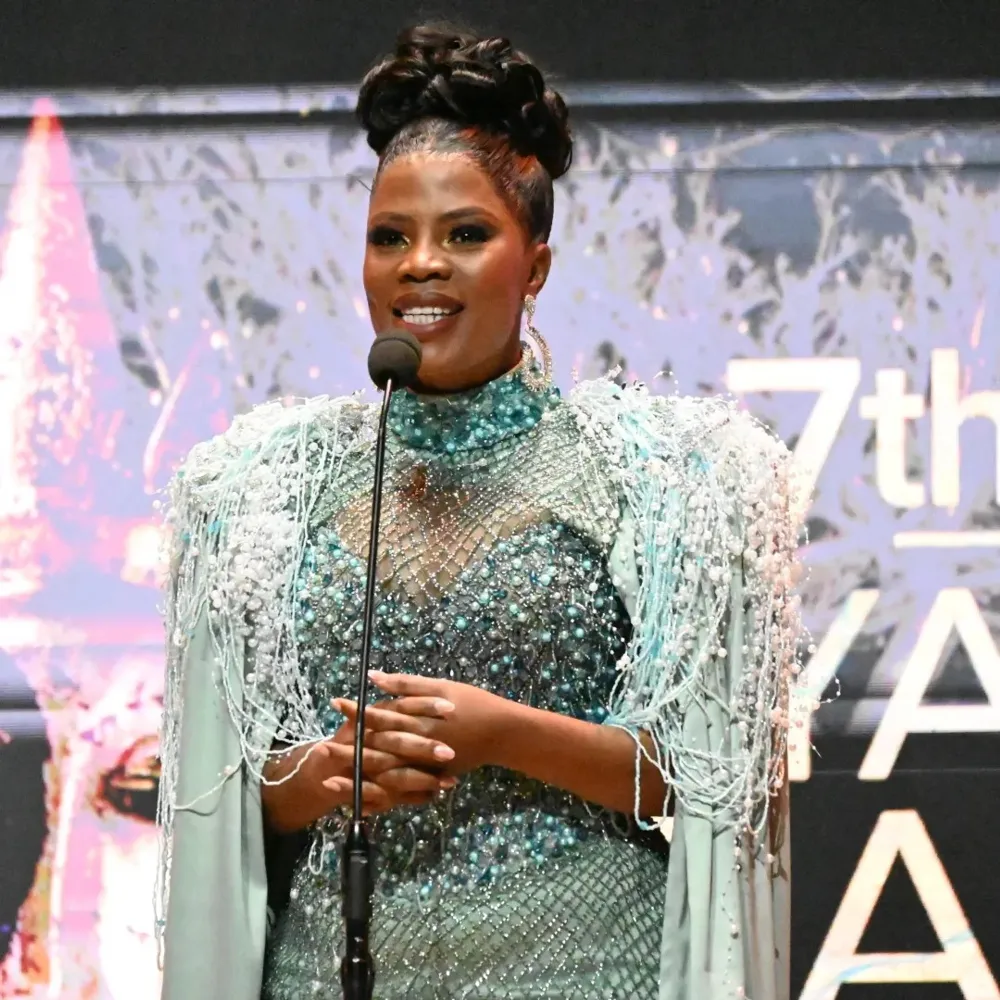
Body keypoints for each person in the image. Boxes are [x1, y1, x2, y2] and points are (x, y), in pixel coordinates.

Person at [156, 24, 804, 1000]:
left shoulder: (660, 477)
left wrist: (502, 732)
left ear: (534, 265)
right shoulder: (258, 487)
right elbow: (227, 791)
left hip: (587, 968)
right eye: (390, 237)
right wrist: (327, 771)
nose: (420, 264)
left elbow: (705, 774)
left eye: (465, 234)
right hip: (333, 968)